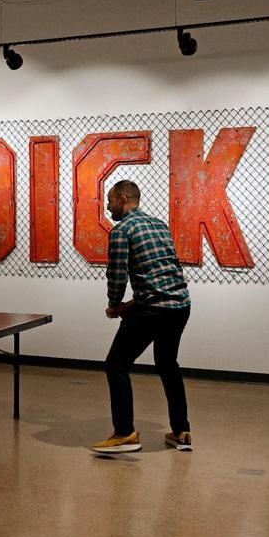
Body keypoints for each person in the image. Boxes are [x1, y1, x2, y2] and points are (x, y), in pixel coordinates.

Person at [91, 180, 193, 455]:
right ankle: (181, 432)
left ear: (123, 199)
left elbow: (117, 274)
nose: (108, 205)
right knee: (167, 363)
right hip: (180, 305)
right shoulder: (159, 224)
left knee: (116, 365)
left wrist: (115, 305)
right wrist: (131, 305)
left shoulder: (121, 230)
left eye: (110, 200)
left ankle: (124, 434)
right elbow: (165, 273)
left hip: (153, 309)